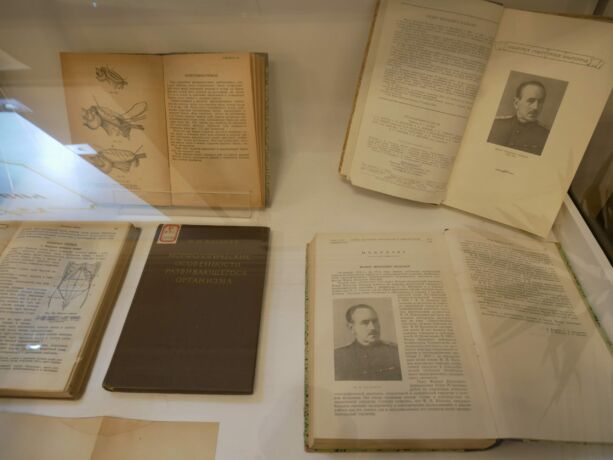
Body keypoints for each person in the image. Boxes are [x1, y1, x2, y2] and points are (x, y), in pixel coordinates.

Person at [334, 304, 402, 381]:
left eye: (375, 321)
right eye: (365, 323)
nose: (372, 327)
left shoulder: (395, 352)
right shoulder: (338, 356)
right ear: (351, 328)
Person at [487, 80, 549, 155]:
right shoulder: (495, 125)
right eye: (531, 101)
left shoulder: (545, 135)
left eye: (540, 102)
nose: (536, 107)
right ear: (516, 103)